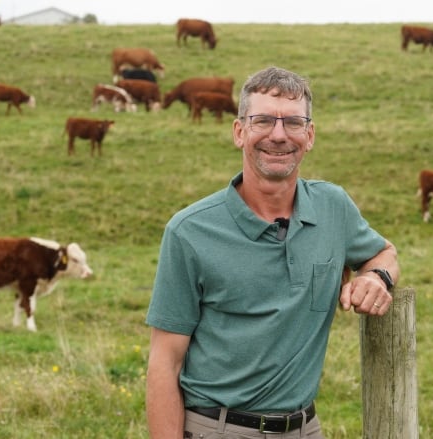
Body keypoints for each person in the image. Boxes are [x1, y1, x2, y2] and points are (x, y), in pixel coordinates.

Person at [145, 66, 399, 438]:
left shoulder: (333, 207)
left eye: (293, 123)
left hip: (305, 429)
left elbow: (384, 252)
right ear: (239, 132)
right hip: (218, 429)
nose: (278, 135)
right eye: (263, 120)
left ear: (309, 135)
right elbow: (165, 363)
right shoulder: (189, 232)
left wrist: (376, 276)